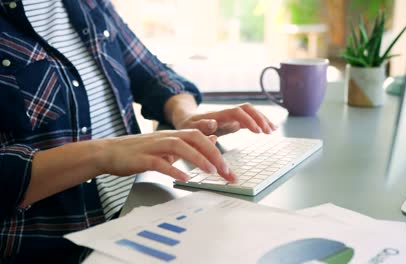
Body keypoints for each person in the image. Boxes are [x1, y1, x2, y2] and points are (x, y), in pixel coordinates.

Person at [0, 0, 276, 262]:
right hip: (58, 247)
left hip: (141, 209)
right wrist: (104, 153)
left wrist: (187, 116)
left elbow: (155, 75)